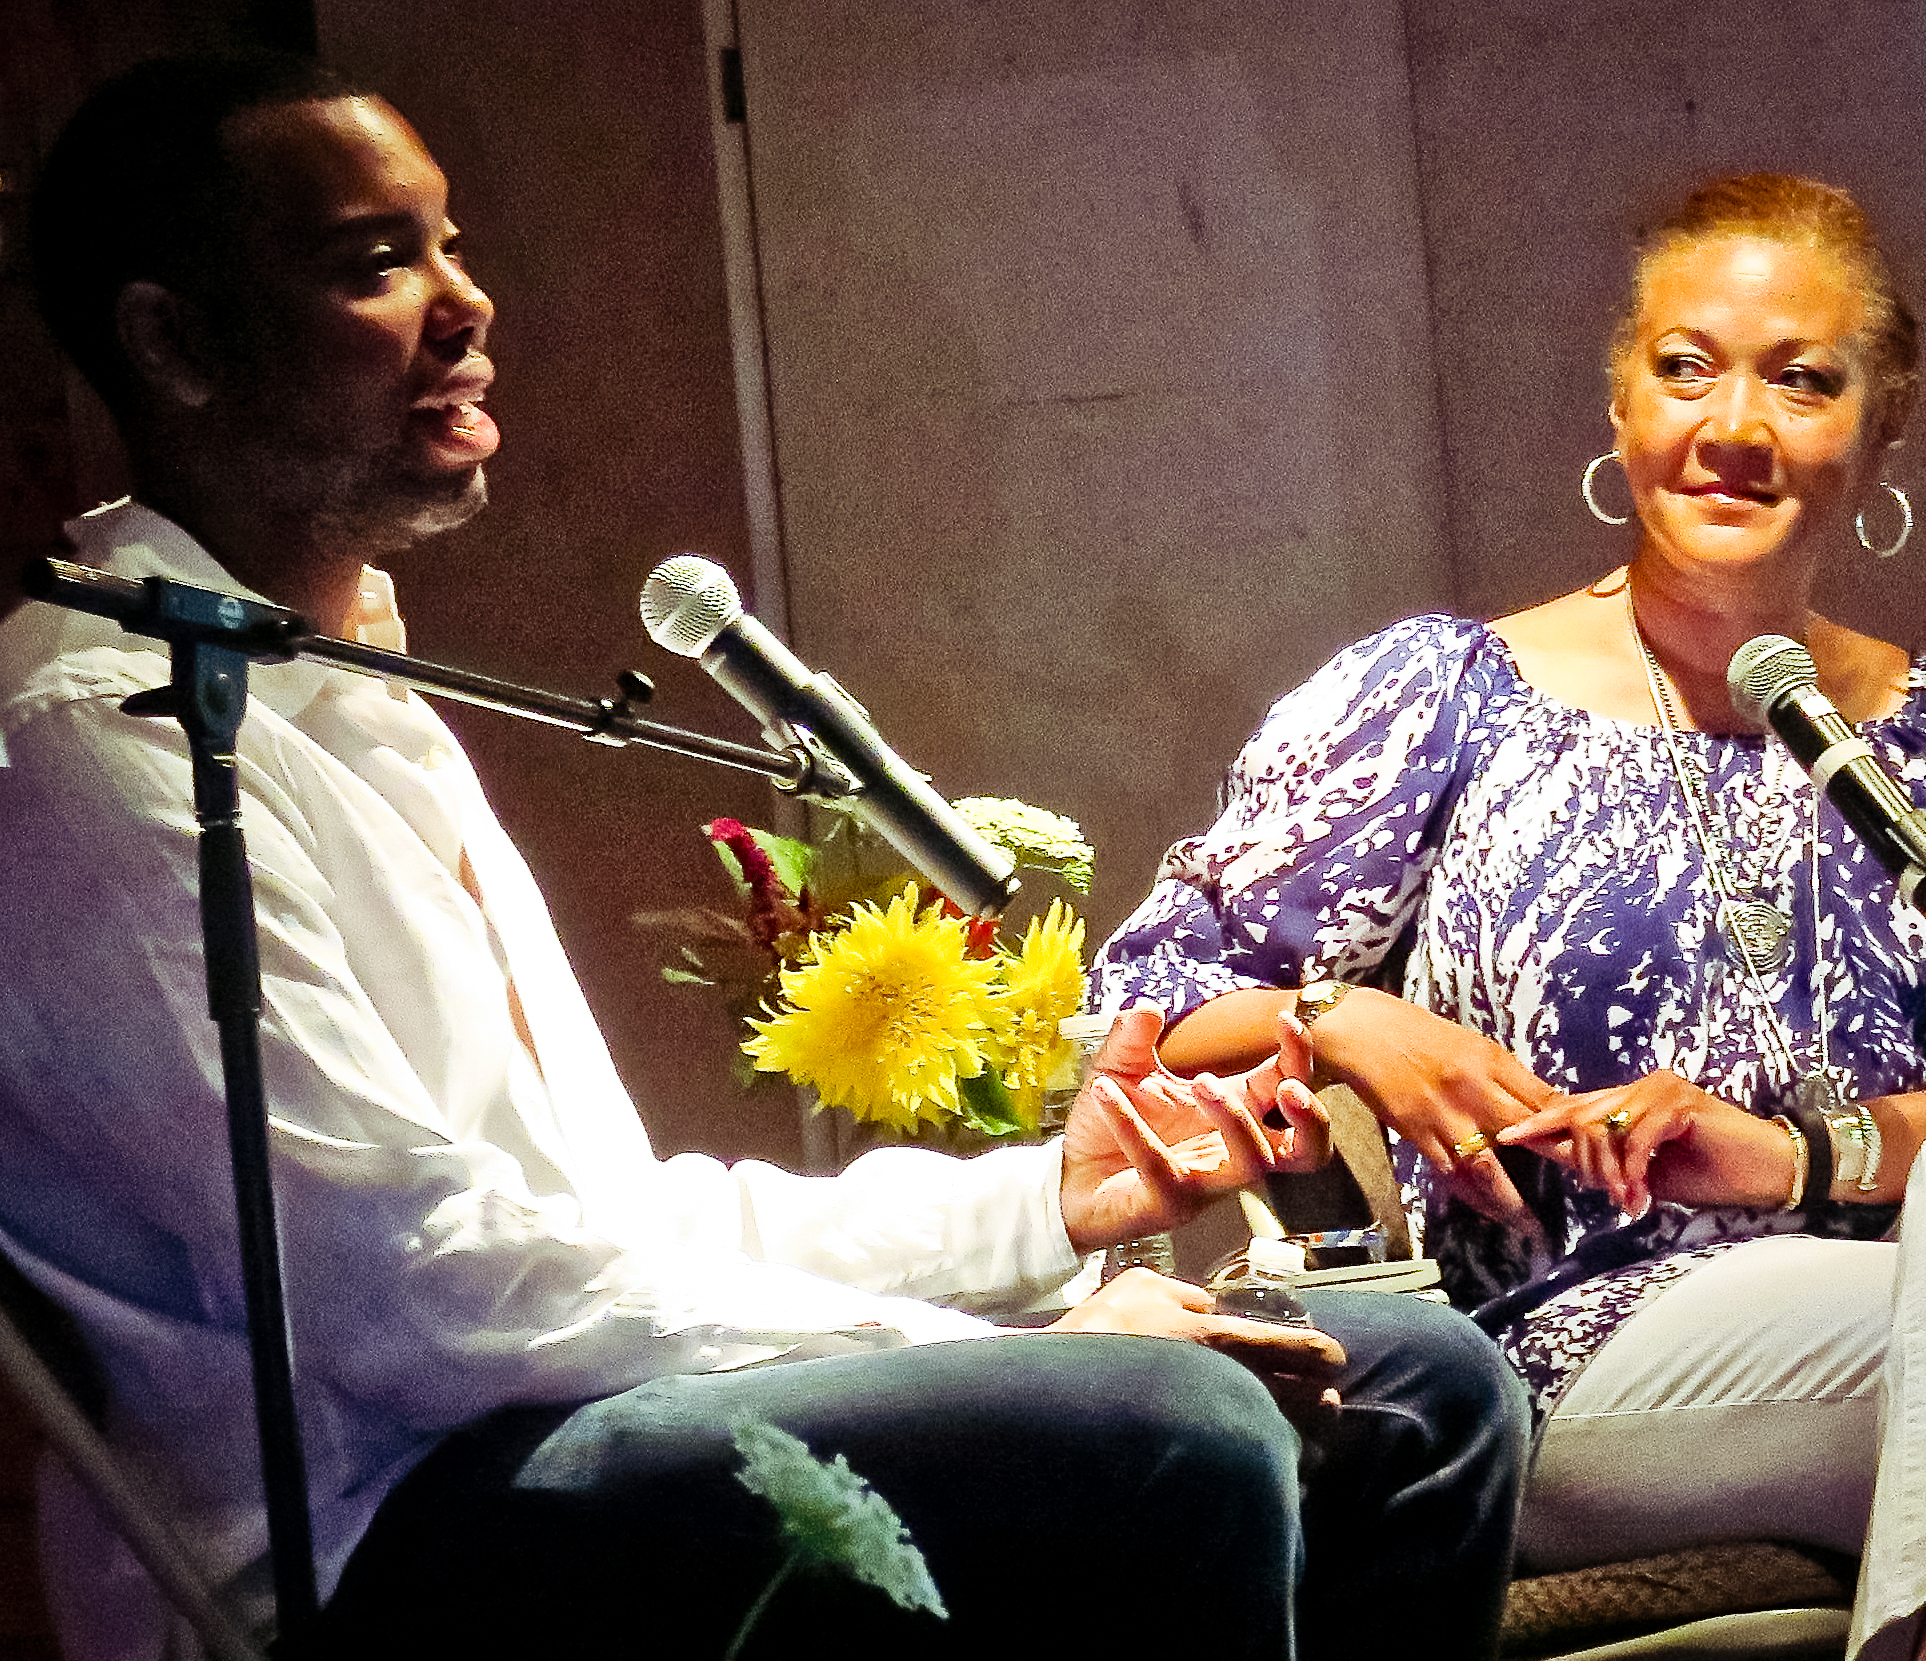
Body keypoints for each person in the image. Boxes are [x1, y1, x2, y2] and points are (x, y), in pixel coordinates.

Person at [0, 52, 1524, 1661]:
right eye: (377, 264)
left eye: (452, 243)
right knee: (1172, 1421)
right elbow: (428, 1299)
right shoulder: (107, 740)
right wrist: (1014, 1348)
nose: (467, 304)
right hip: (380, 1532)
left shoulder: (353, 694)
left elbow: (609, 1220)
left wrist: (1041, 1209)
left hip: (541, 1424)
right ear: (173, 344)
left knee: (1422, 1383)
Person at [1093, 174, 1926, 1661]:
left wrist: (1797, 1156)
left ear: (1880, 427)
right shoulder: (1445, 696)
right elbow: (1151, 989)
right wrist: (1346, 1017)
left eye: (1800, 379)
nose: (1731, 425)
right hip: (1604, 1340)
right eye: (1685, 366)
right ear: (1621, 404)